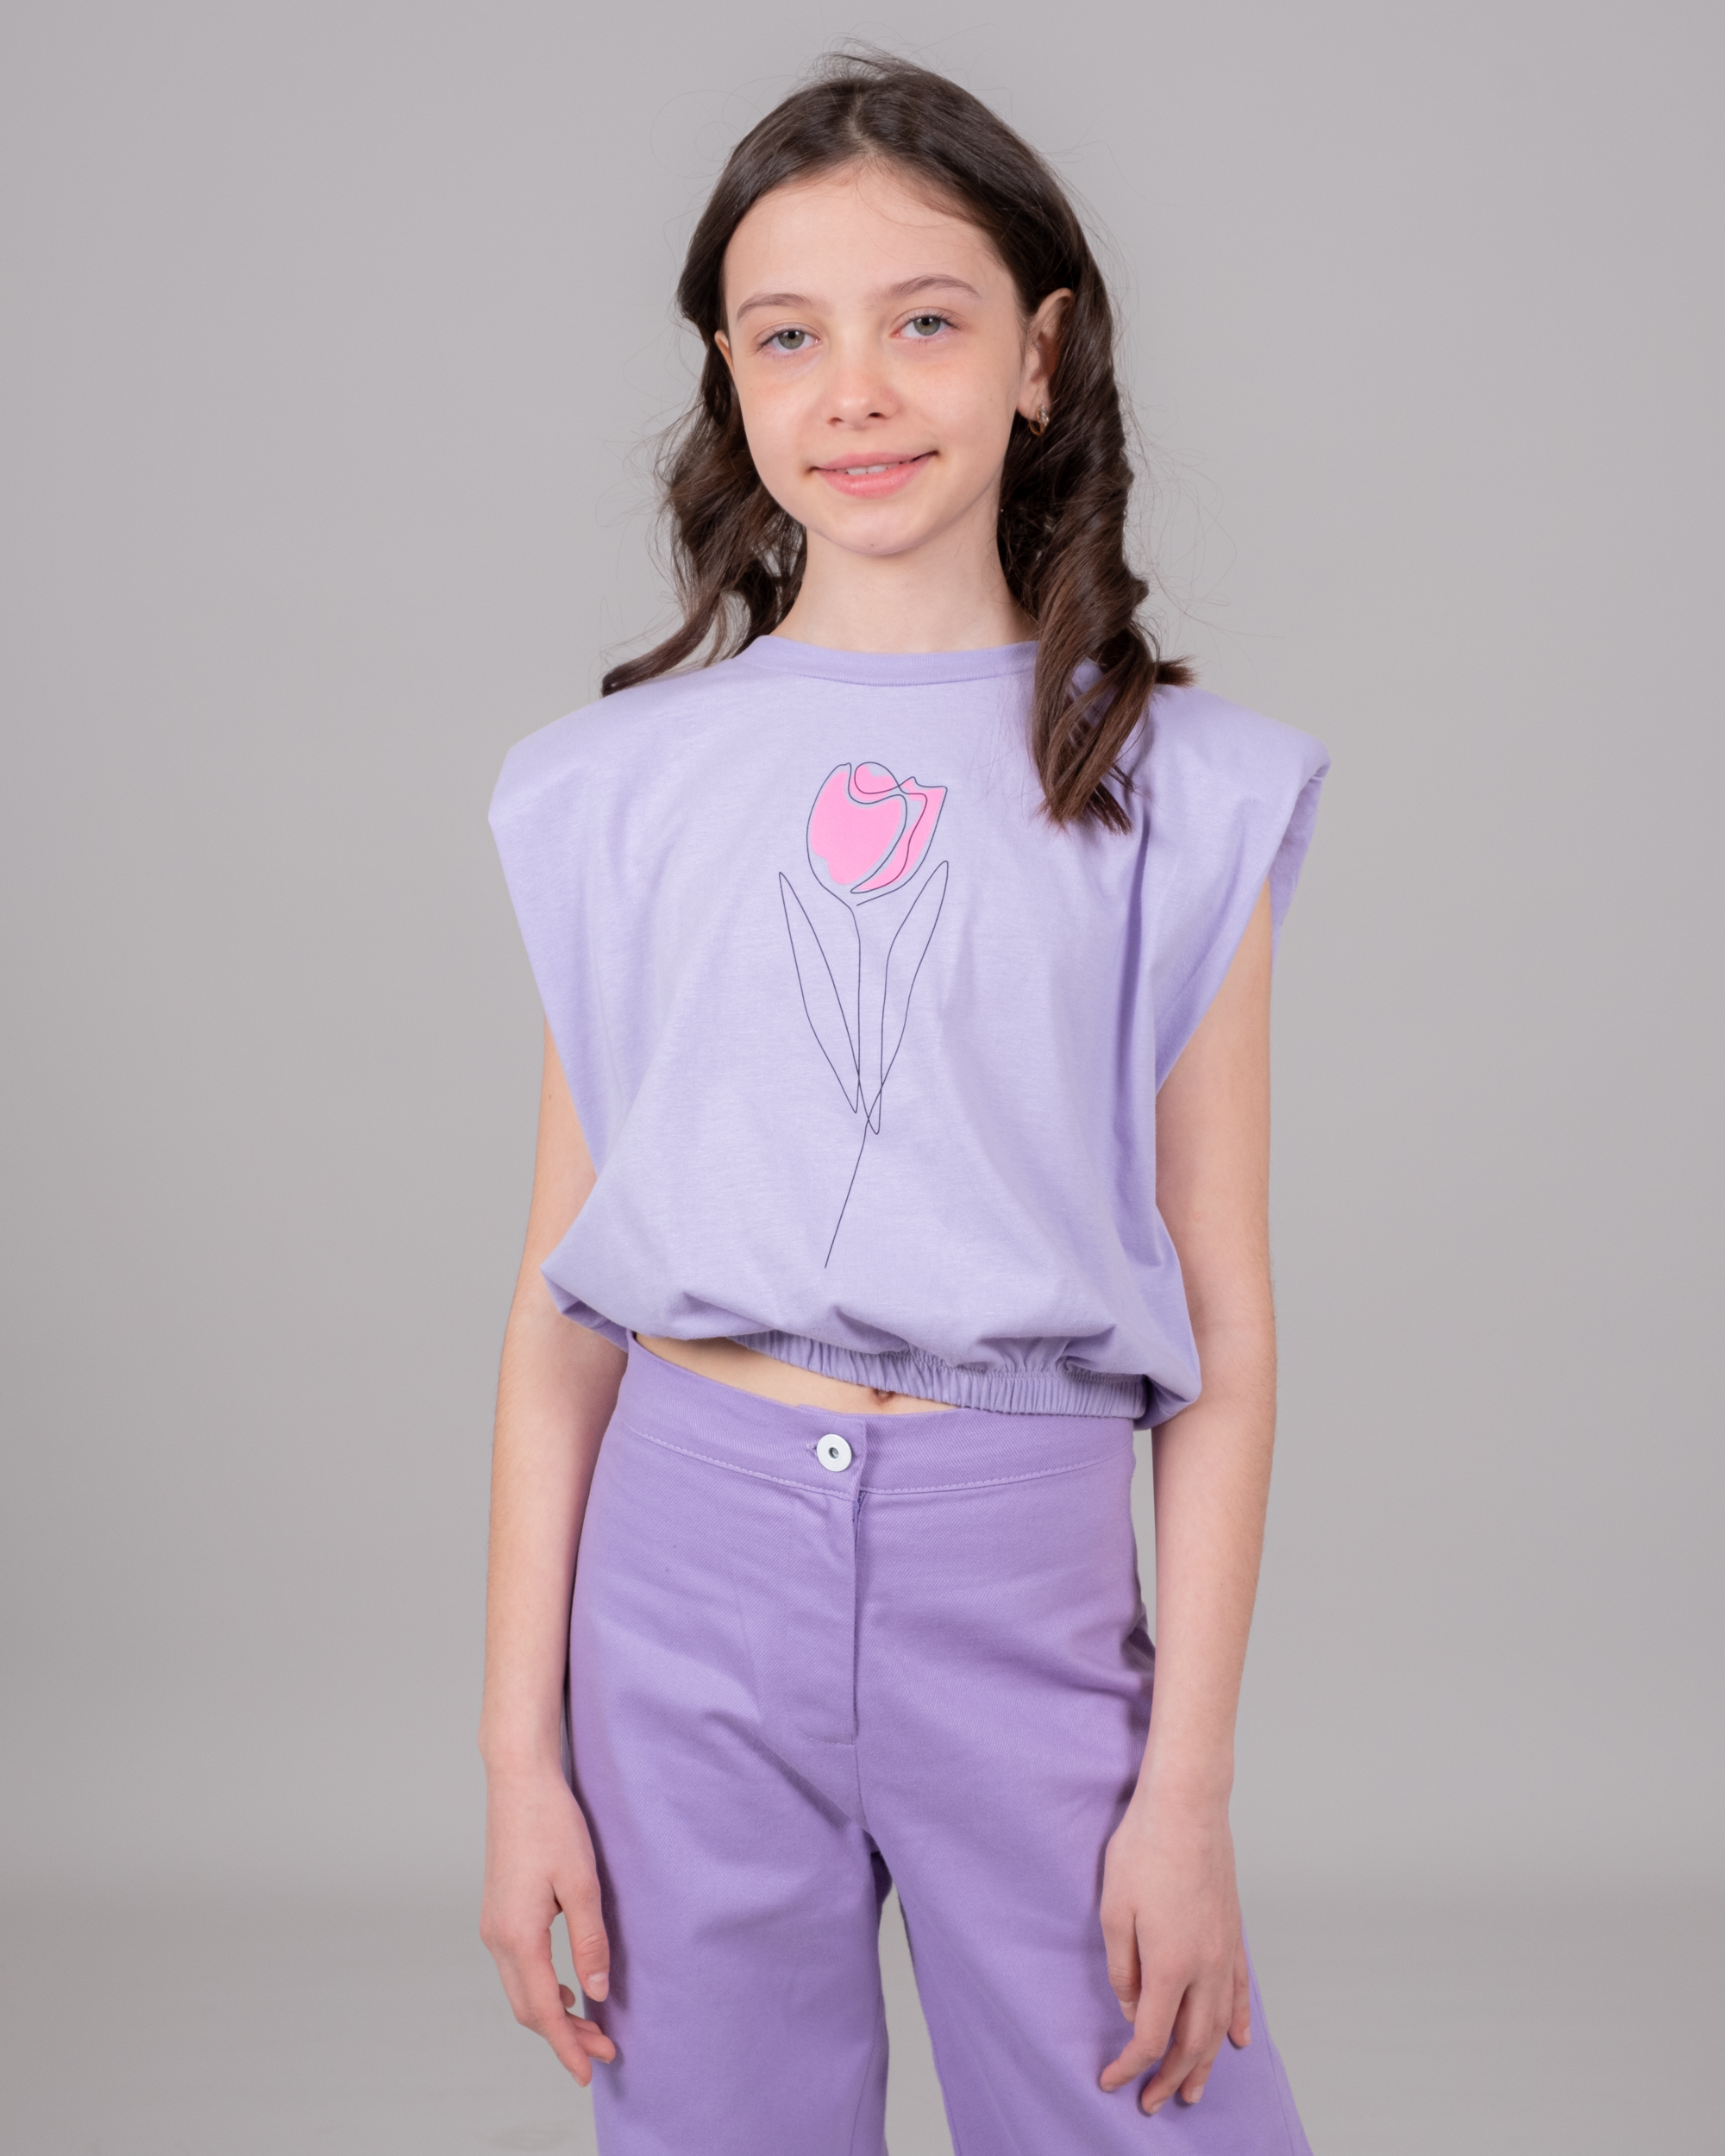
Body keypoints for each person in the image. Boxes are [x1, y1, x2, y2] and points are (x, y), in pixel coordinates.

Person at [480, 51, 1326, 2154]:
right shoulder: (612, 790)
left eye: (923, 320)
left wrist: (1187, 1788)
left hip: (1015, 1571)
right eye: (788, 335)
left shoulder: (1181, 792)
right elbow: (558, 1307)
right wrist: (519, 1756)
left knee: (1146, 2099)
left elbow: (1222, 1319)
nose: (853, 390)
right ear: (728, 377)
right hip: (677, 1584)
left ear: (1039, 355)